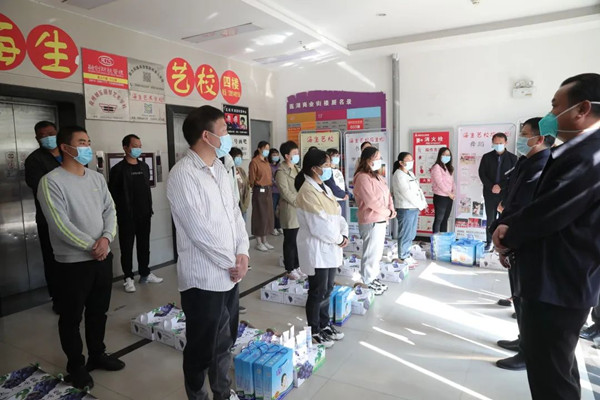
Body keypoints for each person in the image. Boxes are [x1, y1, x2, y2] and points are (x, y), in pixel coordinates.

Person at [493, 73, 600, 399]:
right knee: (558, 369)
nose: (550, 114)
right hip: (567, 278)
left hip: (558, 281)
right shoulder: (581, 149)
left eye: (556, 106)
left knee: (551, 378)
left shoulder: (588, 155)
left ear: (582, 109)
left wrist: (508, 235)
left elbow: (550, 212)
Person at [167, 105, 249, 400]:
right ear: (206, 135)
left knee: (225, 341)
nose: (228, 136)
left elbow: (235, 214)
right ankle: (197, 395)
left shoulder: (221, 169)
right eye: (224, 130)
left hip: (230, 275)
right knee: (201, 348)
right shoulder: (183, 175)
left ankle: (222, 392)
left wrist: (243, 253)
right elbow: (198, 230)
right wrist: (232, 262)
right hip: (203, 280)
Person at [37, 126, 124, 390]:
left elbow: (110, 210)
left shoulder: (96, 178)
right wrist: (91, 246)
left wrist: (106, 239)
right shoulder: (51, 181)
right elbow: (59, 224)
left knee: (98, 312)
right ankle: (76, 366)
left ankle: (98, 354)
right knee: (71, 317)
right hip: (72, 263)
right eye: (81, 142)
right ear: (65, 147)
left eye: (88, 141)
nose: (87, 146)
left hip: (102, 257)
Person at [487, 117, 553, 371]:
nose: (520, 139)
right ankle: (523, 340)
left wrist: (507, 239)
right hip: (512, 233)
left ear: (539, 138)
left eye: (524, 134)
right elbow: (512, 200)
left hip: (522, 238)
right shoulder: (526, 161)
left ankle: (529, 352)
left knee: (527, 298)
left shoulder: (543, 164)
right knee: (519, 295)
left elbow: (525, 208)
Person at [295, 148, 348, 348]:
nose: (330, 168)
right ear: (314, 168)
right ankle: (314, 330)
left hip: (331, 246)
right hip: (317, 248)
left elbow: (337, 213)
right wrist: (338, 238)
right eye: (326, 165)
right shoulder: (307, 192)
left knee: (328, 289)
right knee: (317, 291)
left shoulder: (324, 186)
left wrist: (343, 234)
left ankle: (325, 325)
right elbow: (319, 225)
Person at [109, 134, 163, 293]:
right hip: (127, 216)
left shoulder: (144, 166)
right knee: (126, 247)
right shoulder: (118, 169)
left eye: (140, 146)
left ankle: (145, 273)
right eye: (135, 146)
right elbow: (112, 194)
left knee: (144, 245)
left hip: (144, 213)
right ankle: (128, 278)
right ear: (125, 148)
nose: (138, 149)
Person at [24, 120, 62, 313]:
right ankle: (58, 298)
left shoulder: (68, 153)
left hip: (75, 215)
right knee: (53, 258)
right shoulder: (34, 160)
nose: (48, 137)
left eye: (51, 133)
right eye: (43, 135)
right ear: (37, 138)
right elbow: (42, 188)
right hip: (49, 218)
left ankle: (76, 295)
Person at [353, 146, 395, 295]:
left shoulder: (377, 176)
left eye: (379, 158)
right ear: (367, 160)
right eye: (376, 158)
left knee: (377, 253)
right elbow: (371, 201)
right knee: (370, 253)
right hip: (371, 220)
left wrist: (391, 209)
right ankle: (367, 280)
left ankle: (373, 277)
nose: (379, 160)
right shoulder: (362, 177)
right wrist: (388, 212)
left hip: (381, 219)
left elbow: (388, 194)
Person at [478, 133, 517, 250]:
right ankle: (489, 242)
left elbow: (513, 177)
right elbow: (482, 174)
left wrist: (500, 186)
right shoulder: (486, 157)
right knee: (490, 219)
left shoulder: (513, 159)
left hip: (505, 194)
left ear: (506, 143)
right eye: (496, 143)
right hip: (489, 194)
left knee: (504, 219)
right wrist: (492, 186)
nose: (498, 145)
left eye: (500, 143)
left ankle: (502, 243)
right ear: (492, 143)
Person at [275, 140, 306, 280]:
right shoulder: (281, 172)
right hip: (290, 209)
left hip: (300, 209)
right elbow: (285, 192)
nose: (297, 155)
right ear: (287, 156)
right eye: (294, 153)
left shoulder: (297, 169)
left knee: (298, 240)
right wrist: (299, 201)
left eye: (297, 152)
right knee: (290, 240)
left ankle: (297, 265)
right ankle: (289, 268)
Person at [392, 152, 427, 267]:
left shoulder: (410, 173)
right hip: (405, 208)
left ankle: (406, 254)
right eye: (408, 160)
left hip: (414, 207)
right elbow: (407, 194)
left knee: (411, 234)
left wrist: (423, 202)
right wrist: (420, 204)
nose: (411, 162)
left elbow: (418, 190)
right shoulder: (398, 175)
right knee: (405, 234)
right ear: (401, 162)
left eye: (412, 159)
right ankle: (403, 256)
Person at [249, 141, 275, 252]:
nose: (267, 151)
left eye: (268, 149)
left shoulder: (266, 161)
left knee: (267, 216)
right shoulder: (254, 162)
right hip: (259, 190)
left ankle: (265, 240)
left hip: (268, 190)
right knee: (259, 216)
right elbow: (252, 179)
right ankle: (258, 242)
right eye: (265, 148)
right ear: (259, 149)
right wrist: (256, 186)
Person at [430, 148, 455, 233]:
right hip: (440, 197)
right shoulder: (436, 167)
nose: (446, 156)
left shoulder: (448, 167)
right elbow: (439, 183)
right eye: (444, 154)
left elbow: (452, 182)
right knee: (439, 219)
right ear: (439, 155)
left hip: (449, 197)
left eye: (448, 155)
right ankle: (436, 239)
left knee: (445, 219)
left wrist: (453, 192)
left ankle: (443, 238)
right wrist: (449, 193)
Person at [325, 148, 350, 219]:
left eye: (337, 156)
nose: (337, 157)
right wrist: (343, 195)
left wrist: (347, 193)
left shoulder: (338, 171)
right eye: (334, 156)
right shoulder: (327, 171)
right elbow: (332, 186)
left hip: (342, 199)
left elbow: (343, 184)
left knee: (342, 220)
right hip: (335, 200)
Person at [230, 147, 250, 222]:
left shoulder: (241, 170)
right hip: (233, 204)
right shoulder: (228, 171)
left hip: (243, 204)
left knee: (242, 224)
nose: (239, 159)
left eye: (240, 157)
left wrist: (246, 203)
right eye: (237, 157)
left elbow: (247, 186)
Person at [268, 148, 283, 236]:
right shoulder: (268, 166)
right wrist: (276, 182)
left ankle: (279, 226)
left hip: (280, 191)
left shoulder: (280, 166)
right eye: (274, 155)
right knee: (272, 210)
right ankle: (273, 227)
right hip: (272, 191)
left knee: (279, 210)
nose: (276, 156)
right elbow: (269, 178)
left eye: (277, 155)